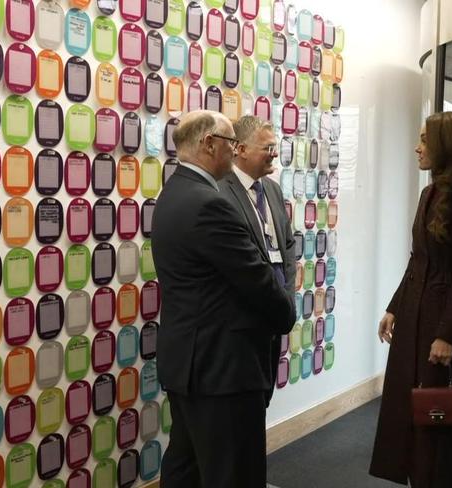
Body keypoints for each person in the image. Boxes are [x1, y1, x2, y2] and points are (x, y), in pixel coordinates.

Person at [150, 110, 296, 488]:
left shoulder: (172, 194)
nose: (234, 152)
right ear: (208, 143)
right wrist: (286, 314)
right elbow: (255, 279)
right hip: (222, 369)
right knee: (233, 473)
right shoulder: (208, 203)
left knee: (186, 466)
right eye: (231, 143)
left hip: (187, 362)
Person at [369, 111, 452, 488]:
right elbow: (418, 260)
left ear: (446, 146)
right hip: (413, 322)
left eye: (425, 139)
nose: (417, 147)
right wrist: (394, 306)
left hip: (442, 328)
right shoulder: (430, 193)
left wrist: (446, 335)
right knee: (414, 416)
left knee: (438, 418)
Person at [218, 115, 296, 406]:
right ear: (240, 149)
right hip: (243, 323)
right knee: (242, 410)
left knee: (263, 397)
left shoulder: (272, 190)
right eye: (267, 147)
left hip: (275, 315)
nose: (274, 153)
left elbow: (287, 245)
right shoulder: (220, 192)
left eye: (275, 147)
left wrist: (287, 295)